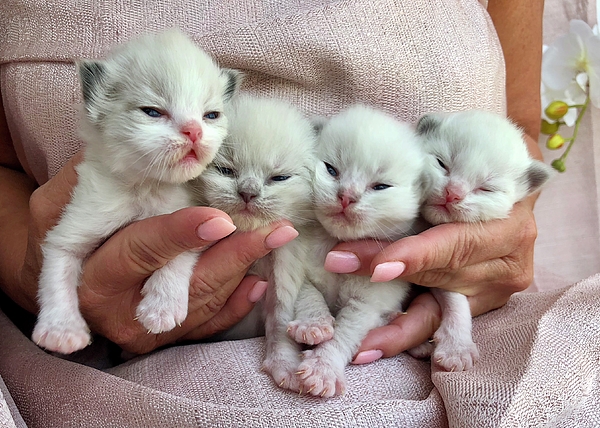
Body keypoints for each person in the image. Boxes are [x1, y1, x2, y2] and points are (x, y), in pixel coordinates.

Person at [5, 0, 595, 427]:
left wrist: (490, 238)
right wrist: (31, 269)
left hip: (461, 328)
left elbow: (518, 129)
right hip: (97, 369)